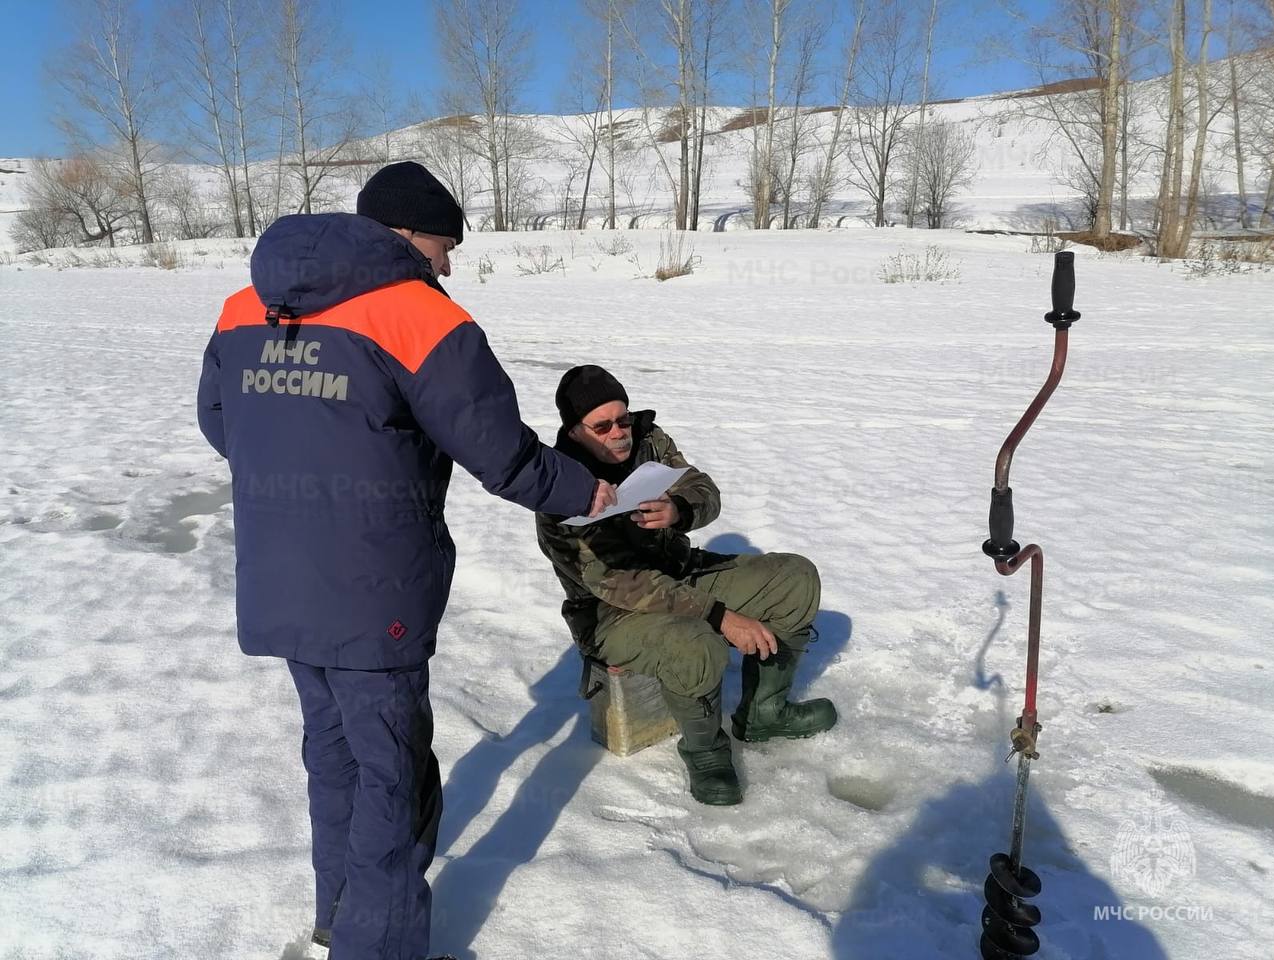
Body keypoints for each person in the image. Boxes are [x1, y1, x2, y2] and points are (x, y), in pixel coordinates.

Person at [196, 161, 616, 960]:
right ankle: (376, 947)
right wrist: (588, 490)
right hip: (374, 584)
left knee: (333, 752)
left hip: (279, 575)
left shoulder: (243, 304)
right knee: (390, 771)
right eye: (443, 244)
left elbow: (222, 422)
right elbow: (503, 456)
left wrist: (303, 477)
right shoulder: (418, 315)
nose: (449, 264)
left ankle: (338, 916)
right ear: (404, 234)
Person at [535, 365, 837, 806]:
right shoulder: (557, 488)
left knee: (795, 579)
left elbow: (702, 487)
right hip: (611, 612)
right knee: (695, 641)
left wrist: (679, 509)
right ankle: (706, 752)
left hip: (680, 571)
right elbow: (620, 583)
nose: (619, 432)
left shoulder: (648, 440)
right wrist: (720, 616)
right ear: (574, 430)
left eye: (623, 418)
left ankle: (763, 714)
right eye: (602, 426)